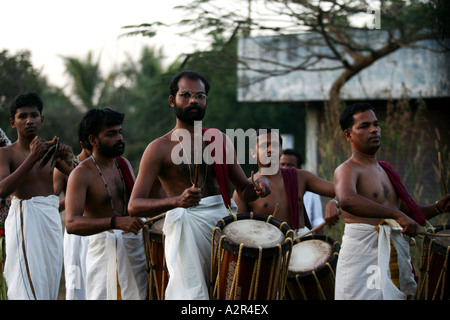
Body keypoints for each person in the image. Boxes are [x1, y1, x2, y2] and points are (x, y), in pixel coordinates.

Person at [128, 70, 271, 300]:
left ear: (206, 101)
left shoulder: (220, 140)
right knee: (193, 297)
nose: (194, 100)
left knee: (228, 294)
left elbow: (245, 190)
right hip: (186, 227)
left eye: (200, 95)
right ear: (172, 100)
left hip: (224, 226)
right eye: (186, 95)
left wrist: (260, 184)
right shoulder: (158, 148)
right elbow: (134, 206)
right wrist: (177, 201)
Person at [333, 102, 450, 300]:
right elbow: (346, 200)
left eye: (376, 124)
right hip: (362, 258)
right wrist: (396, 215)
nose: (373, 129)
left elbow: (407, 211)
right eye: (364, 126)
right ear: (348, 135)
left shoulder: (385, 169)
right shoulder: (347, 169)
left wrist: (438, 207)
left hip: (392, 252)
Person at [65, 108, 147, 300]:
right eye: (111, 134)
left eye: (120, 132)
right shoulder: (81, 174)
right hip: (104, 253)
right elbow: (71, 223)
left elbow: (136, 204)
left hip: (134, 249)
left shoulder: (124, 164)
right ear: (93, 140)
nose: (119, 138)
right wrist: (116, 223)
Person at [0, 92, 73, 300]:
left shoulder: (51, 152)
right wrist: (32, 158)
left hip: (50, 222)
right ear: (13, 123)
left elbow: (80, 179)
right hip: (25, 220)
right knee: (27, 289)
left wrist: (69, 159)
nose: (29, 121)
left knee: (47, 285)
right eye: (23, 116)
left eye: (34, 115)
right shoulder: (6, 153)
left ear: (42, 120)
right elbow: (2, 190)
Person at [232, 128, 339, 236]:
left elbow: (342, 192)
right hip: (265, 249)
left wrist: (334, 202)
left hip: (300, 246)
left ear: (281, 151)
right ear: (253, 153)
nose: (270, 150)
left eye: (274, 145)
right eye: (265, 146)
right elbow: (240, 233)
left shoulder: (301, 177)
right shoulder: (245, 190)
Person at [53, 122, 91, 300]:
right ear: (84, 143)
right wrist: (73, 199)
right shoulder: (65, 167)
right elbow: (49, 205)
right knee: (77, 284)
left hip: (102, 228)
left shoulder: (106, 166)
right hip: (77, 232)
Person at [280, 148, 325, 233]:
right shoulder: (272, 187)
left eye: (290, 165)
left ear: (299, 168)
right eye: (282, 164)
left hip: (302, 237)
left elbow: (317, 220)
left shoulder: (311, 189)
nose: (285, 168)